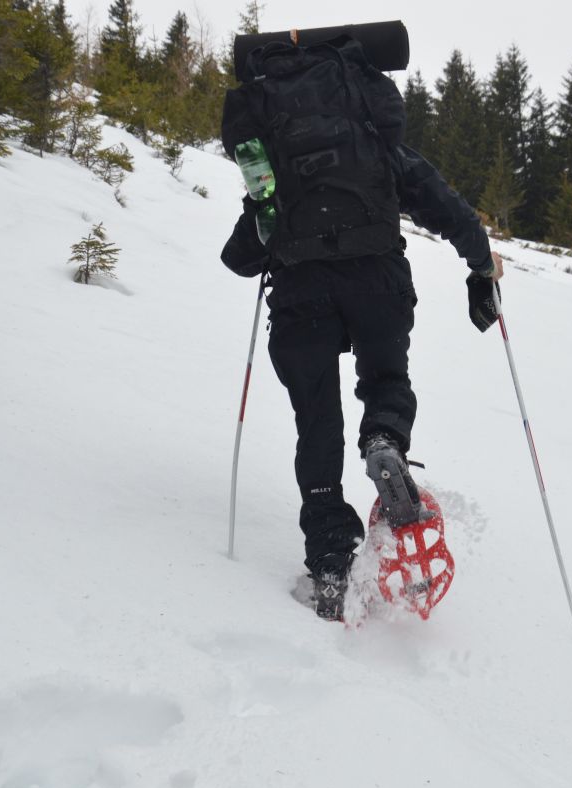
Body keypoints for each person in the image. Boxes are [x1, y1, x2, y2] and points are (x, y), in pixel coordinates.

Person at [221, 37, 503, 621]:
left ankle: (330, 561)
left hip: (300, 295)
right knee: (385, 378)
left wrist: (265, 216)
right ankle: (384, 442)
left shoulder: (273, 164)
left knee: (316, 422)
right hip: (377, 281)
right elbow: (443, 204)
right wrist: (480, 268)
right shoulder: (373, 142)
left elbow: (240, 257)